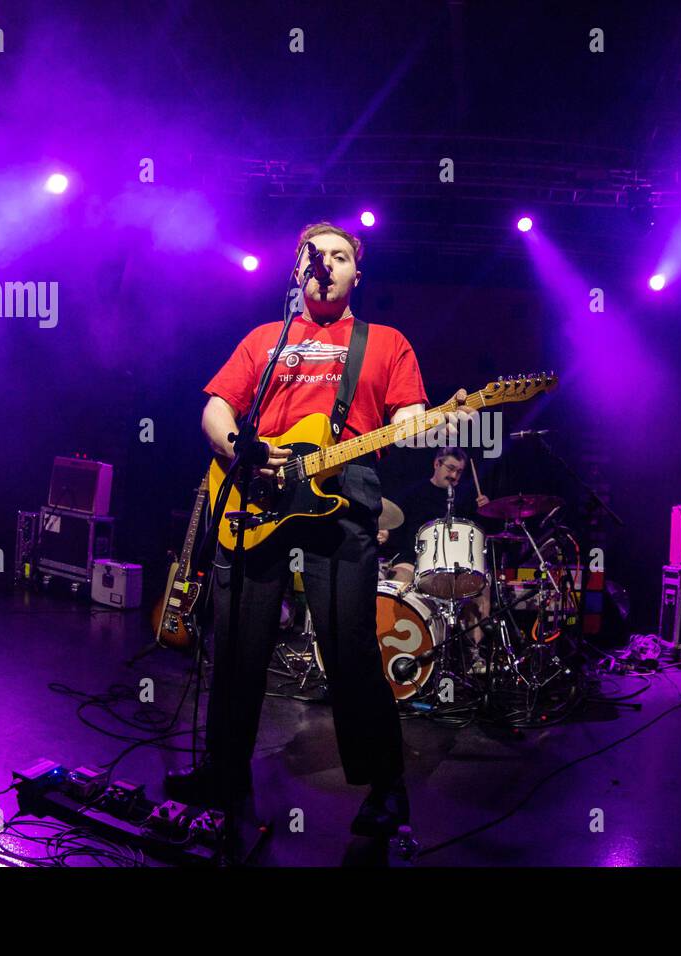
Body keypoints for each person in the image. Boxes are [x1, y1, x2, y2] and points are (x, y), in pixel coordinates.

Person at [169, 221, 477, 842]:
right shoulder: (265, 338)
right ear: (298, 269)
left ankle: (386, 788)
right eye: (317, 256)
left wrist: (432, 420)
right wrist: (240, 450)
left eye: (340, 257)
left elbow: (409, 419)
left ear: (356, 273)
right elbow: (215, 407)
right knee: (236, 646)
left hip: (345, 494)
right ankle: (225, 773)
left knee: (350, 649)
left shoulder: (385, 343)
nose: (327, 265)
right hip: (259, 495)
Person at [382, 447, 493, 673]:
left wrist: (486, 511)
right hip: (415, 559)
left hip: (455, 564)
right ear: (436, 464)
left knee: (482, 588)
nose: (454, 476)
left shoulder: (465, 499)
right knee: (400, 579)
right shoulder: (413, 493)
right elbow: (390, 519)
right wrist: (383, 531)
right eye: (450, 468)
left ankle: (475, 656)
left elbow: (483, 535)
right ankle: (400, 650)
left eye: (459, 472)